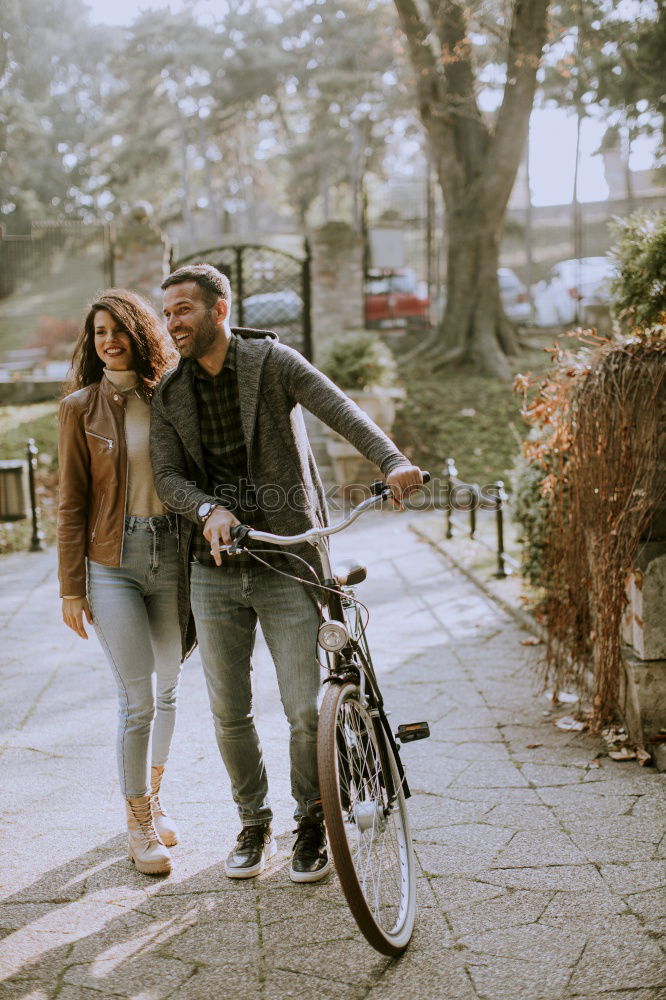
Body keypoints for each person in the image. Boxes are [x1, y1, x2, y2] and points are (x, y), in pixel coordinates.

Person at [150, 263, 423, 883]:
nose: (173, 324)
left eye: (183, 310)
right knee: (229, 711)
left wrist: (393, 460)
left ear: (220, 310)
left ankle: (312, 818)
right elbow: (168, 477)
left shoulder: (271, 363)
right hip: (213, 569)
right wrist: (207, 509)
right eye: (166, 314)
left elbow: (339, 408)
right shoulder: (168, 394)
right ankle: (252, 820)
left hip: (286, 561)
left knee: (305, 708)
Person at [57, 289, 182, 877]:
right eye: (99, 331)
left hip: (172, 557)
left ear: (138, 333)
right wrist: (70, 586)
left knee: (169, 692)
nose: (109, 340)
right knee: (136, 703)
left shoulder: (171, 397)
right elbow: (70, 502)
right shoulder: (80, 407)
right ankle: (137, 822)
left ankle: (154, 800)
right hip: (112, 563)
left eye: (119, 330)